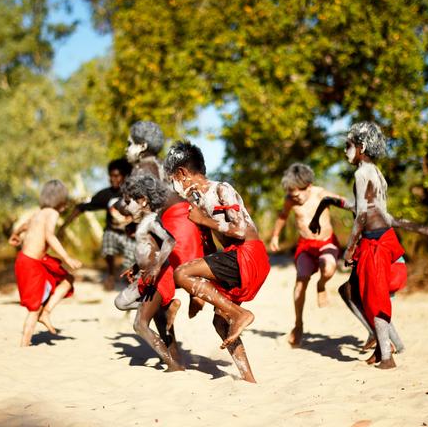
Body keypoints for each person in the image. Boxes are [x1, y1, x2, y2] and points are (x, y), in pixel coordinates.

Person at [332, 122, 428, 368]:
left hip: (375, 243)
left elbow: (361, 216)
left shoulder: (361, 174)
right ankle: (386, 349)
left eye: (348, 145)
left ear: (361, 146)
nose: (345, 150)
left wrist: (349, 249)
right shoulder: (377, 173)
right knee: (357, 291)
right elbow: (394, 219)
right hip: (384, 237)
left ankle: (387, 357)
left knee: (374, 296)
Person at [165, 141, 270, 383]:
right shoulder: (199, 201)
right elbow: (210, 249)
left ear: (182, 173)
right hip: (234, 258)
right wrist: (199, 288)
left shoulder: (222, 189)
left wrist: (205, 221)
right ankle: (248, 378)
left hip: (249, 254)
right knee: (220, 321)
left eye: (173, 178)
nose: (174, 184)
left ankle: (240, 313)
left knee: (181, 274)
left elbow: (240, 230)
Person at [270, 163, 352, 347]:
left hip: (326, 243)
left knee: (329, 267)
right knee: (301, 282)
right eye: (291, 195)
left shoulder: (321, 194)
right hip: (305, 246)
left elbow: (346, 203)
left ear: (307, 186)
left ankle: (321, 285)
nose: (294, 198)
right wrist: (275, 235)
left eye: (297, 194)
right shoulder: (290, 199)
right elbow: (283, 216)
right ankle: (298, 324)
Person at [115, 174, 185, 372]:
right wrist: (136, 267)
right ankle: (166, 308)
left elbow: (170, 241)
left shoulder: (153, 220)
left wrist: (155, 267)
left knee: (140, 324)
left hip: (159, 276)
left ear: (143, 200)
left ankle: (173, 364)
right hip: (146, 276)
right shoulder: (143, 222)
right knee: (121, 302)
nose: (126, 206)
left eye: (129, 202)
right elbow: (150, 248)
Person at [9, 180, 83, 347]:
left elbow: (24, 225)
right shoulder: (52, 213)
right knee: (34, 309)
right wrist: (67, 258)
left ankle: (46, 313)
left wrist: (15, 234)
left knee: (67, 280)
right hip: (32, 263)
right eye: (64, 201)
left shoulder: (38, 212)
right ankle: (24, 344)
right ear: (60, 200)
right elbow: (49, 235)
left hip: (29, 260)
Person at [58, 158, 134, 290]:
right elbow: (81, 207)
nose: (112, 179)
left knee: (129, 264)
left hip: (130, 235)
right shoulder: (106, 194)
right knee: (108, 239)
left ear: (125, 176)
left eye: (116, 176)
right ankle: (110, 274)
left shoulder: (133, 193)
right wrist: (64, 226)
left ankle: (130, 278)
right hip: (113, 232)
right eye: (110, 176)